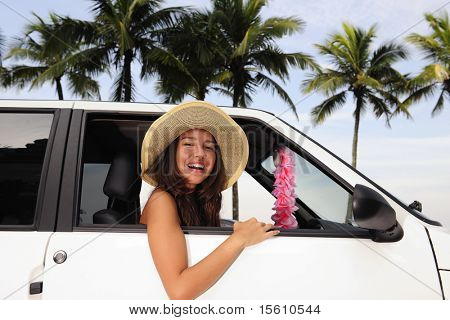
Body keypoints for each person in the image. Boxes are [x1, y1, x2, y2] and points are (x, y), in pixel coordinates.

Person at [139, 100, 280, 300]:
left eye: (209, 147)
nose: (199, 154)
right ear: (171, 153)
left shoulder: (201, 202)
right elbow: (179, 292)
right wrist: (239, 239)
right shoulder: (161, 200)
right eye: (187, 144)